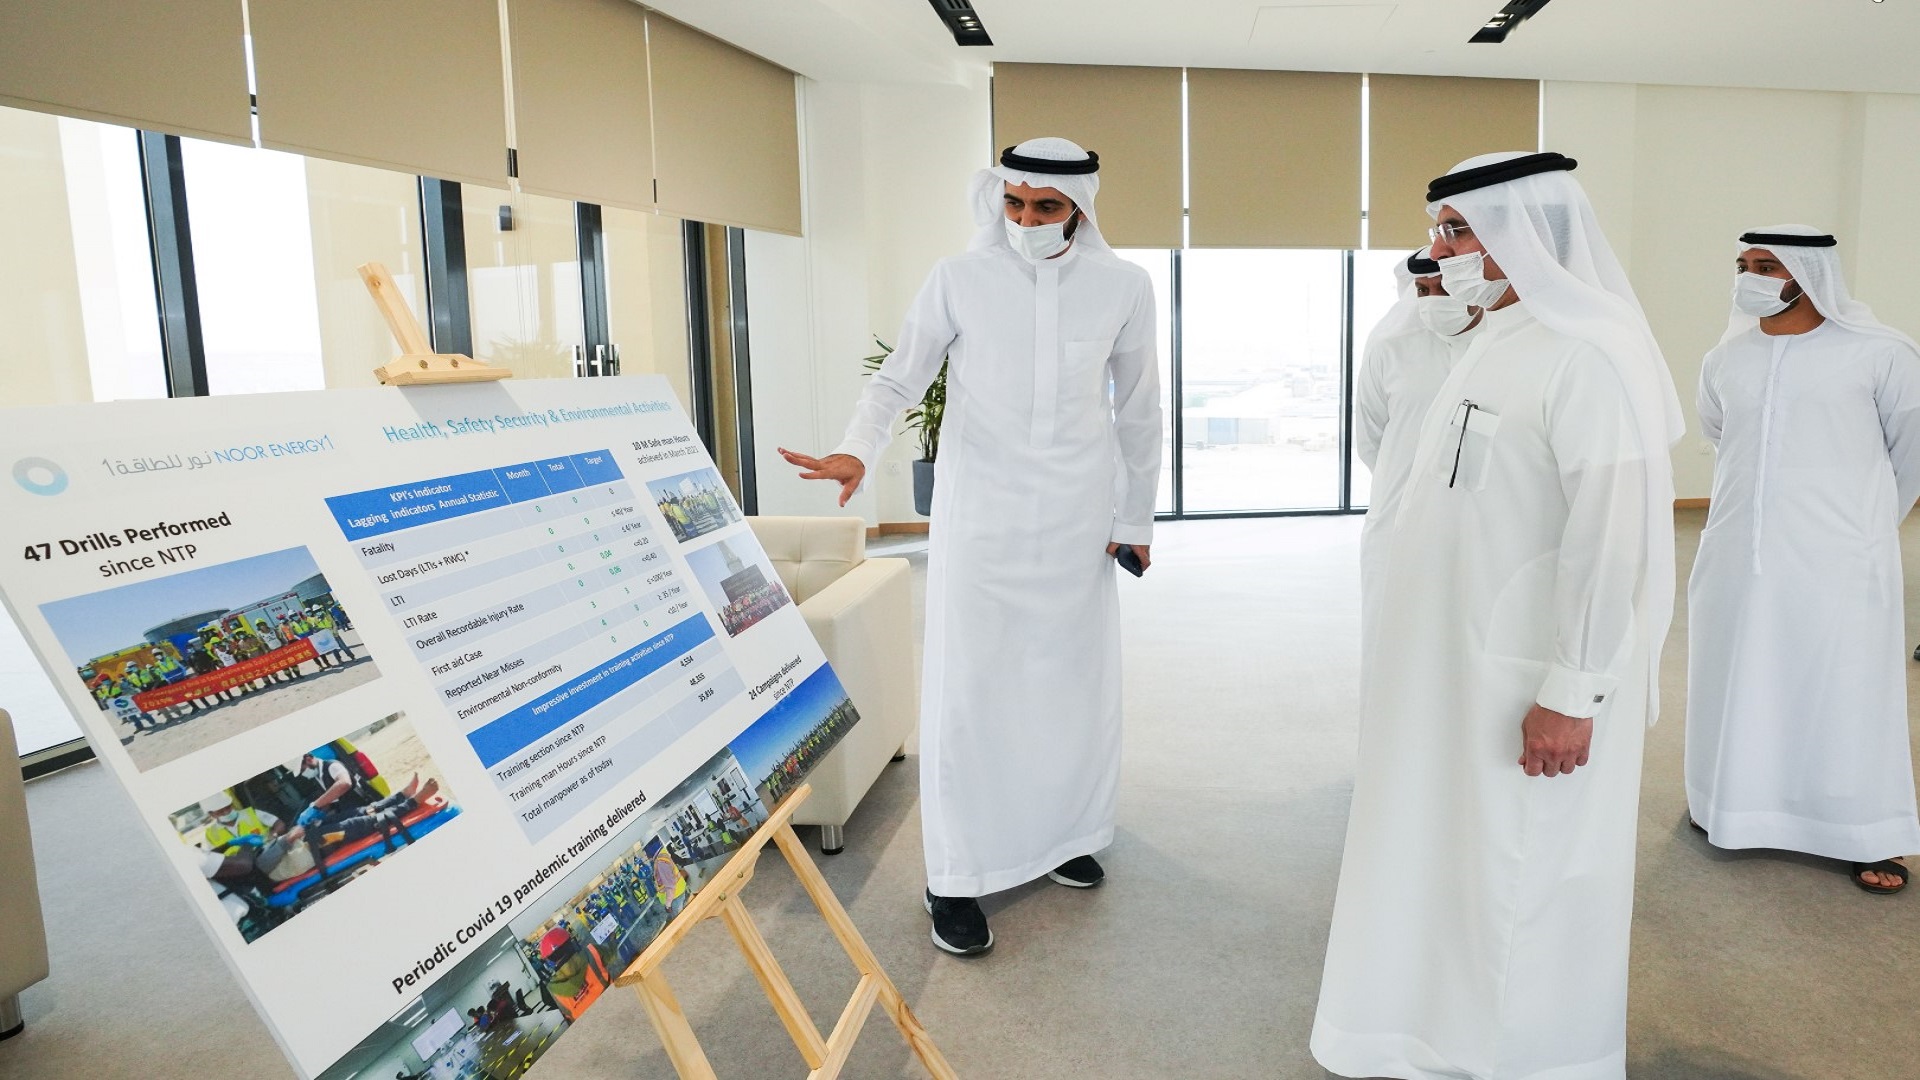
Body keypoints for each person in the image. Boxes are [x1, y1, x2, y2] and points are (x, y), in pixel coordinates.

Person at [1311, 151, 1684, 1080]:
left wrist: (1573, 687)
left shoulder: (1589, 357)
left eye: (1458, 230)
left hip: (1526, 675)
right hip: (1448, 666)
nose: (1437, 249)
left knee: (1525, 875)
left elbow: (1613, 540)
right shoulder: (1490, 339)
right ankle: (1431, 1040)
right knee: (1450, 860)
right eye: (1439, 228)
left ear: (1528, 236)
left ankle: (1535, 1060)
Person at [777, 137, 1162, 957]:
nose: (1024, 219)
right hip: (981, 510)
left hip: (1076, 514)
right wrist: (857, 448)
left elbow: (1138, 408)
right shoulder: (958, 278)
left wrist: (1135, 521)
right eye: (1013, 203)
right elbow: (898, 380)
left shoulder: (1125, 287)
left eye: (1045, 207)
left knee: (1069, 678)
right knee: (972, 686)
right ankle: (952, 876)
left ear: (1080, 210)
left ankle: (1065, 836)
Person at [1686, 225, 1920, 895]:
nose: (1750, 276)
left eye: (1766, 265)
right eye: (1743, 264)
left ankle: (1864, 832)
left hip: (1840, 555)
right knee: (1741, 679)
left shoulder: (1882, 353)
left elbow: (1912, 450)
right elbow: (1722, 437)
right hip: (1737, 551)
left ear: (1810, 273)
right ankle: (1728, 807)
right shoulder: (1726, 358)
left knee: (1843, 689)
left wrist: (1863, 526)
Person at [1353, 247, 1483, 669]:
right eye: (1423, 289)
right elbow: (1371, 436)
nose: (1432, 300)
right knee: (1397, 648)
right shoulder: (1391, 345)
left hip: (1482, 523)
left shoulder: (1505, 343)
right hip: (1399, 518)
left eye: (1444, 288)